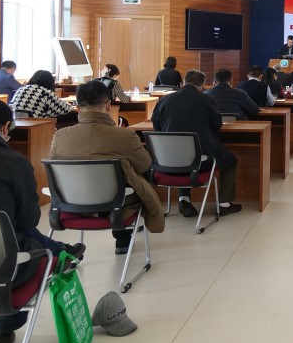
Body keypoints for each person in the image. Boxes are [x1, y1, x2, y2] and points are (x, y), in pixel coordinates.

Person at [0, 99, 84, 343]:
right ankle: (3, 326)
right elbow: (28, 220)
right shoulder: (14, 163)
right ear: (5, 127)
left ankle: (61, 250)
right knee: (16, 238)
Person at [49, 81, 165, 253]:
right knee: (134, 181)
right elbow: (145, 165)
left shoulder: (60, 136)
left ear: (78, 108)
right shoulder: (125, 135)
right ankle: (122, 238)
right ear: (109, 105)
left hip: (71, 202)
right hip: (117, 205)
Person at [151, 69, 241, 217]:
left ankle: (184, 199)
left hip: (167, 158)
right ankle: (224, 204)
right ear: (202, 85)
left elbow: (157, 125)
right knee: (230, 162)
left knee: (184, 159)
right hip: (200, 158)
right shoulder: (207, 100)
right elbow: (216, 125)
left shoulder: (165, 100)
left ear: (183, 82)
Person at [9, 70, 76, 122]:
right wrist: (70, 104)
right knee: (73, 116)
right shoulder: (46, 92)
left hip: (17, 125)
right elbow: (65, 108)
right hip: (38, 125)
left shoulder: (21, 89)